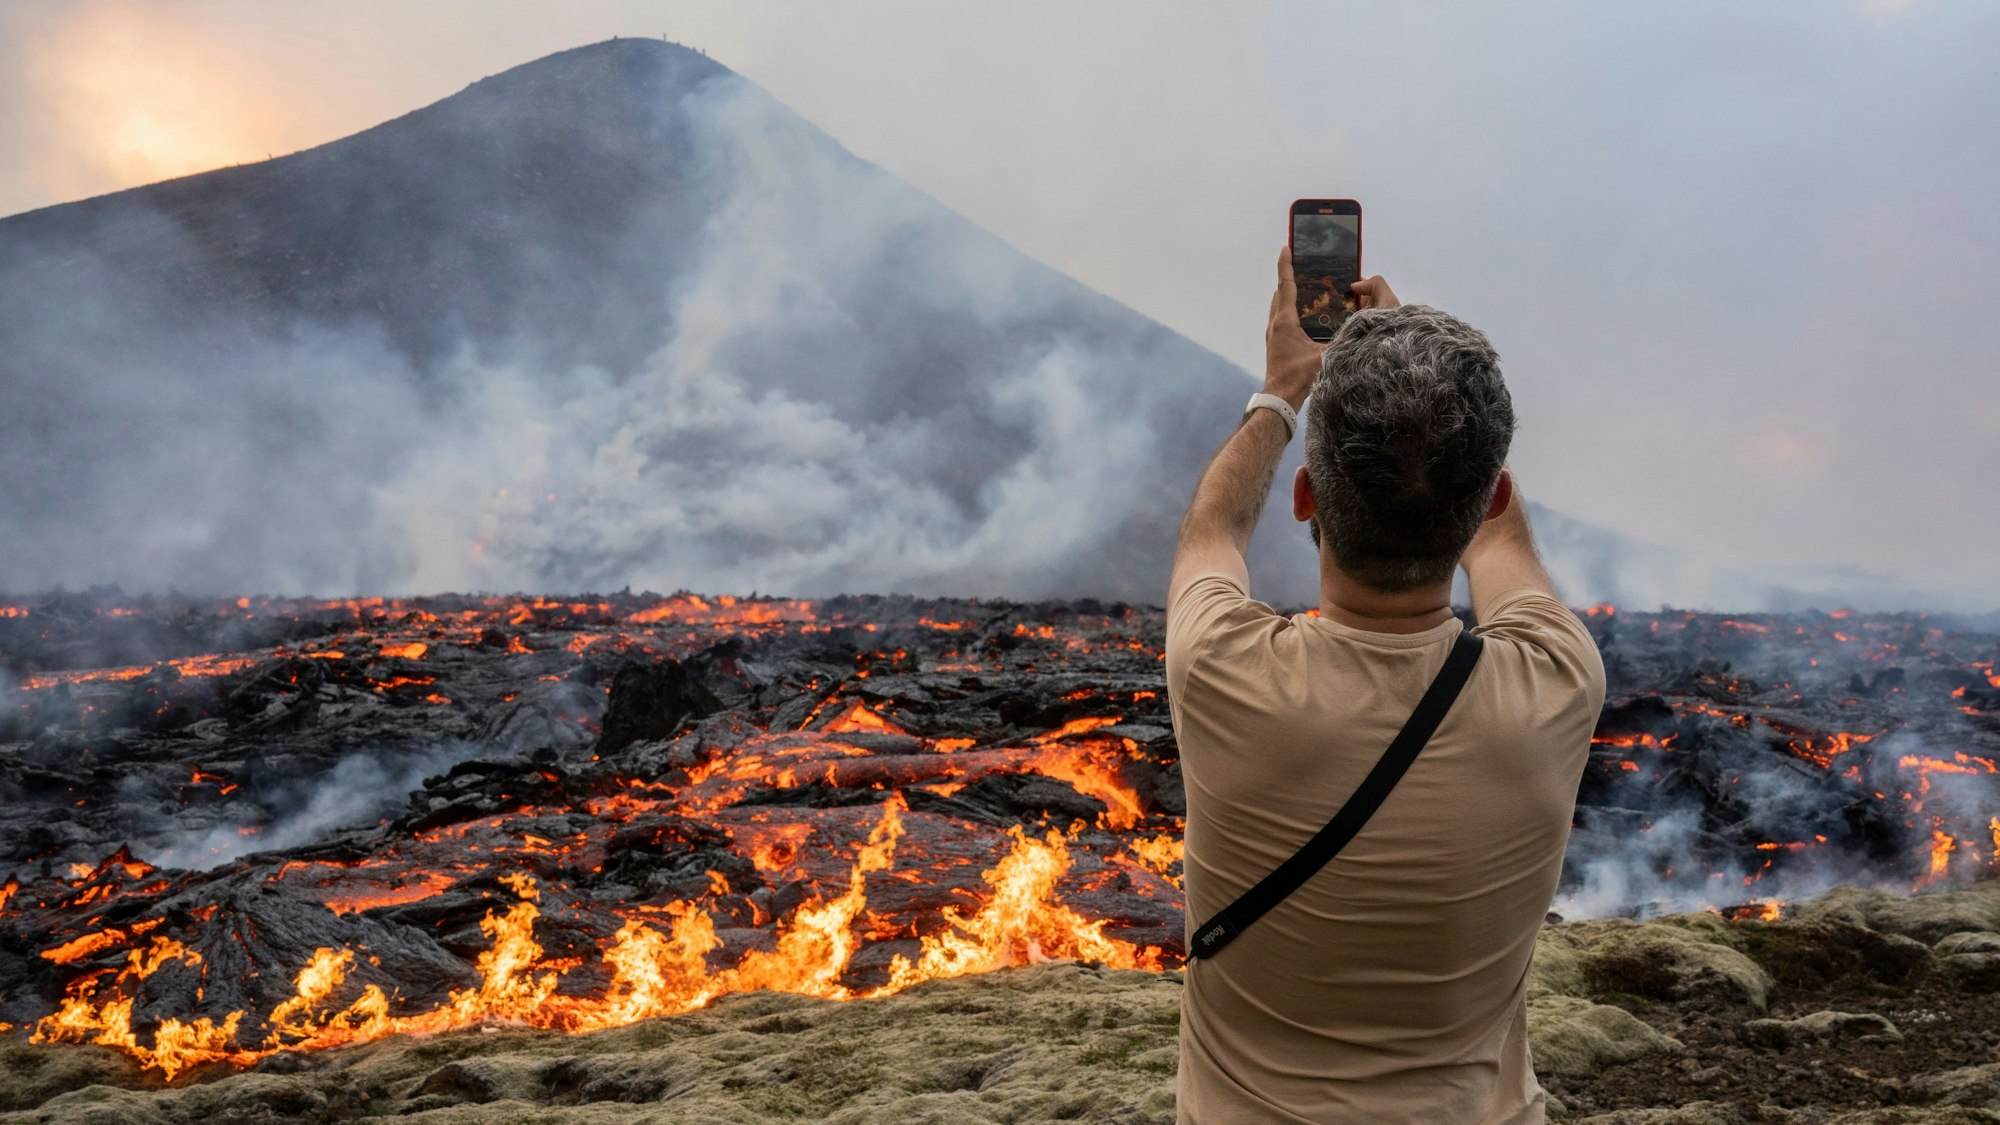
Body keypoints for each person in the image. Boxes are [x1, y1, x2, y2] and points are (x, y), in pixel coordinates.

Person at [1166, 248, 1606, 1123]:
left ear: (1305, 498)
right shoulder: (1557, 678)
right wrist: (1422, 381)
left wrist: (1283, 391)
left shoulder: (1221, 667)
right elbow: (1505, 549)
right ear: (1490, 497)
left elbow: (1210, 530)